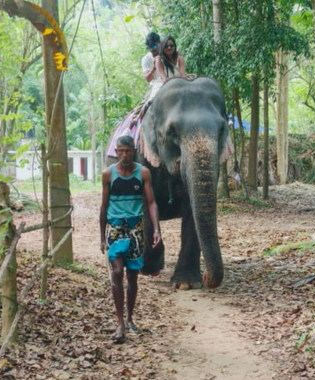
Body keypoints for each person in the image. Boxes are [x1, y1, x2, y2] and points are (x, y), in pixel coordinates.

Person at [100, 135, 161, 343]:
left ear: (134, 150)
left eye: (128, 150)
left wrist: (156, 229)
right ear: (115, 152)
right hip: (115, 229)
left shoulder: (143, 173)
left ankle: (129, 319)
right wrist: (102, 236)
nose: (124, 155)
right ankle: (119, 325)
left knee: (132, 276)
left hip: (136, 228)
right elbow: (103, 206)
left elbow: (151, 202)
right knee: (117, 272)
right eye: (121, 151)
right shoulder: (108, 175)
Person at [148, 35, 187, 100]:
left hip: (179, 81)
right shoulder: (159, 60)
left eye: (171, 45)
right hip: (164, 83)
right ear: (162, 47)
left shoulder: (179, 57)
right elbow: (164, 78)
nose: (169, 47)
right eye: (166, 46)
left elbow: (182, 74)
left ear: (175, 46)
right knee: (152, 100)